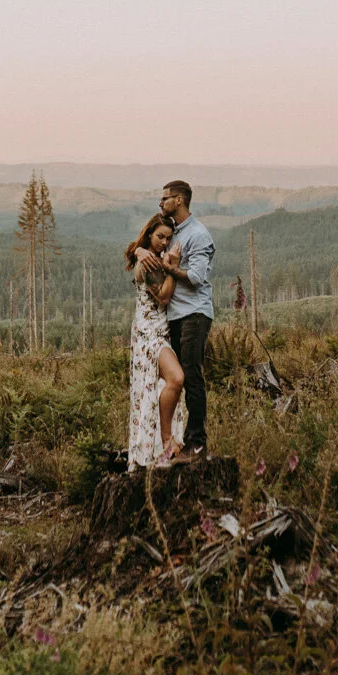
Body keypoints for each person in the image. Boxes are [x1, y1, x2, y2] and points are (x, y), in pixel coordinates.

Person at [134, 180, 214, 463]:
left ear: (179, 200)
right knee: (177, 379)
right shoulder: (174, 231)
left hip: (194, 314)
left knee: (190, 377)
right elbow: (149, 243)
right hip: (173, 320)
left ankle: (196, 444)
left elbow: (197, 277)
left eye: (165, 198)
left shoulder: (198, 234)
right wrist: (139, 251)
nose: (161, 203)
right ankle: (167, 442)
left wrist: (171, 268)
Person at [124, 213, 186, 471]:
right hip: (149, 335)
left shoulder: (151, 257)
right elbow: (163, 296)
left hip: (161, 331)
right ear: (149, 234)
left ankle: (162, 444)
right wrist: (173, 267)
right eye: (160, 236)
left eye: (168, 238)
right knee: (176, 378)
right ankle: (166, 439)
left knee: (162, 385)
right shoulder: (147, 263)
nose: (164, 242)